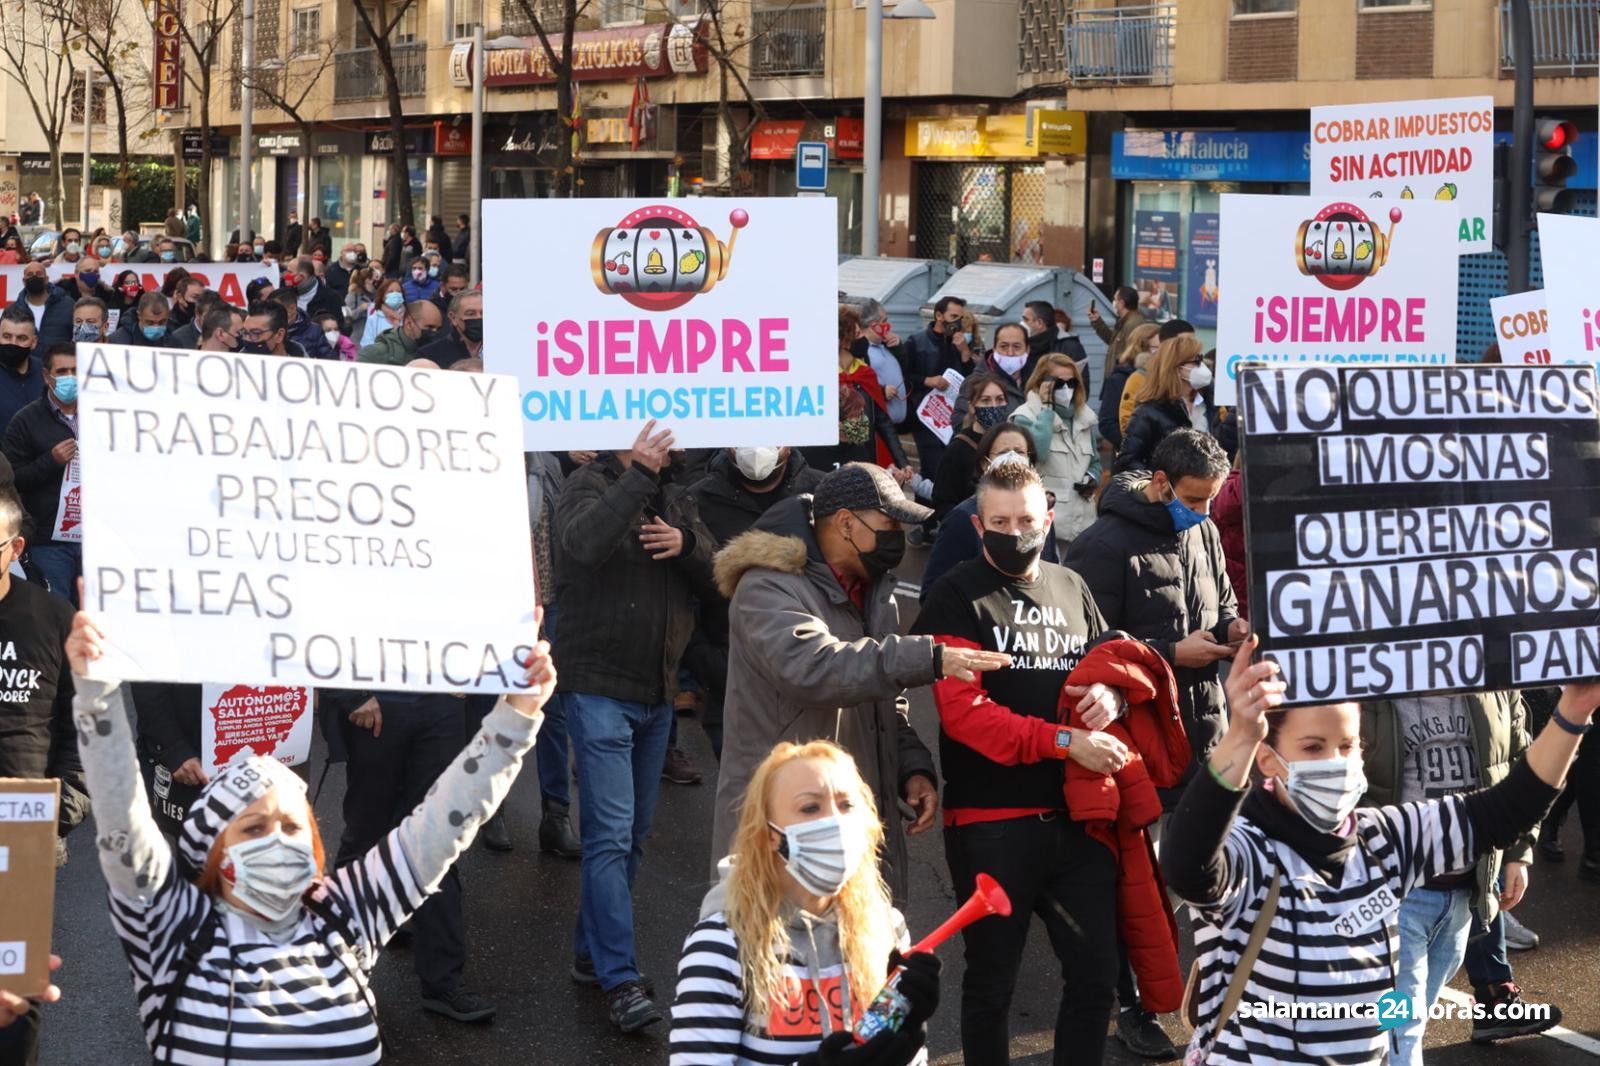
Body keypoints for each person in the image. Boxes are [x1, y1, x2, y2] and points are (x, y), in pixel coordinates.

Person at [64, 602, 558, 1063]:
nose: (277, 839)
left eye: (292, 824)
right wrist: (96, 694)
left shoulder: (346, 914)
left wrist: (518, 713)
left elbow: (450, 816)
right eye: (253, 826)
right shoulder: (171, 927)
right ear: (211, 850)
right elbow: (120, 814)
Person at [1163, 637, 1600, 1065]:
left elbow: (1506, 810)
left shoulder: (1385, 839)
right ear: (1268, 758)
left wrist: (1575, 709)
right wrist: (1238, 736)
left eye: (1348, 746)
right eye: (1313, 747)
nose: (1335, 761)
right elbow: (1188, 866)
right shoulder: (1250, 851)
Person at [710, 462, 1010, 902]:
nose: (898, 540)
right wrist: (929, 656)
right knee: (781, 964)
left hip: (848, 819)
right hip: (781, 828)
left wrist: (910, 765)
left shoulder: (872, 588)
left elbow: (884, 695)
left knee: (862, 961)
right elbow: (817, 668)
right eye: (888, 525)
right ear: (845, 523)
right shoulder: (766, 587)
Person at [912, 459, 1127, 1066]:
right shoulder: (956, 594)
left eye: (1027, 519)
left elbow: (1107, 665)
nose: (1015, 530)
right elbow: (966, 717)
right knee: (991, 985)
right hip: (990, 824)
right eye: (1000, 521)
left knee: (1096, 976)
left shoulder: (1071, 584)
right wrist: (1065, 742)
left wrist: (1111, 696)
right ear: (979, 526)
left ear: (1049, 519)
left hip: (1076, 819)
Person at [554, 419, 716, 1032]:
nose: (670, 437)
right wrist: (638, 475)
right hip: (598, 687)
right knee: (609, 835)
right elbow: (582, 545)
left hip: (655, 692)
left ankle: (590, 956)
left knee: (633, 835)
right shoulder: (589, 484)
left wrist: (689, 546)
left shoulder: (675, 493)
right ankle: (621, 979)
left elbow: (715, 572)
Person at [669, 740, 941, 1066]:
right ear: (772, 834)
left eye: (846, 805)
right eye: (810, 807)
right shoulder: (721, 946)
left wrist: (909, 1034)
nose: (835, 822)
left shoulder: (886, 927)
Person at [1357, 690, 1552, 1064]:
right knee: (1404, 1026)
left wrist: (1517, 852)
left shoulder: (1492, 678)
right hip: (1396, 894)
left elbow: (1519, 760)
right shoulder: (1369, 677)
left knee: (1403, 1022)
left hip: (1465, 891)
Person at [1067, 429, 1240, 806]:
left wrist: (1233, 629)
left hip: (1209, 741)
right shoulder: (1102, 545)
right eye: (1194, 500)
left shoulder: (1205, 531)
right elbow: (1089, 651)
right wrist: (1173, 654)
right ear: (1161, 482)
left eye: (1211, 499)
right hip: (1144, 746)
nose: (1204, 512)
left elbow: (1223, 605)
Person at [684, 447, 824, 759]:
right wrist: (708, 661)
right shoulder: (697, 500)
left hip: (813, 686)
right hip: (731, 691)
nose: (759, 447)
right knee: (744, 803)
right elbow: (682, 592)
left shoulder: (822, 494)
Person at [922, 425, 1064, 598]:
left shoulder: (1040, 513)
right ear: (984, 463)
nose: (1012, 458)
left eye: (1019, 452)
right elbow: (933, 593)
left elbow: (1050, 570)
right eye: (1003, 452)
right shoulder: (962, 518)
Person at [3, 344, 80, 604]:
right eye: (62, 371)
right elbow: (13, 480)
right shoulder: (25, 421)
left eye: (76, 370)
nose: (71, 377)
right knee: (56, 614)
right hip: (50, 541)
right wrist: (50, 461)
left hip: (95, 536)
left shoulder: (101, 415)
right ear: (47, 376)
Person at [809, 307, 911, 476]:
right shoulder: (820, 376)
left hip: (862, 456)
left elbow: (882, 421)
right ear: (843, 341)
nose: (863, 339)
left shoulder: (866, 373)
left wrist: (902, 461)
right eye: (857, 335)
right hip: (826, 460)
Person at [1012, 354, 1100, 548]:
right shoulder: (1026, 417)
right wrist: (1047, 409)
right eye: (1059, 384)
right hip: (1046, 527)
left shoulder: (1084, 418)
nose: (1066, 390)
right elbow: (1039, 452)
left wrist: (1092, 477)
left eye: (1072, 383)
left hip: (1084, 524)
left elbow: (1095, 461)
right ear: (1041, 382)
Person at [1116, 334, 1218, 474]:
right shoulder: (1147, 412)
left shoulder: (1210, 404)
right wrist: (1161, 484)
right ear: (1175, 367)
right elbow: (1127, 462)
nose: (1202, 366)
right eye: (1196, 361)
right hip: (1164, 493)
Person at [903, 296, 975, 479]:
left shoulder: (959, 344)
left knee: (949, 468)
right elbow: (904, 376)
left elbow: (972, 379)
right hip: (925, 414)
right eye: (953, 316)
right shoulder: (916, 342)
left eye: (960, 317)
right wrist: (927, 380)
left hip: (952, 415)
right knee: (932, 468)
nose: (957, 322)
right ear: (939, 316)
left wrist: (965, 353)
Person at [931, 373, 1011, 521]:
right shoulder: (958, 449)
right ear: (972, 407)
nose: (993, 406)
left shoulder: (1012, 443)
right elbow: (942, 503)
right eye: (985, 401)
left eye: (999, 399)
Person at [1118, 320, 1196, 437]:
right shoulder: (1140, 378)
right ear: (1167, 346)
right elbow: (1127, 425)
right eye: (1184, 343)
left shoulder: (1201, 380)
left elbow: (1218, 419)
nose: (1190, 349)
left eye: (1193, 343)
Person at [1100, 323, 1162, 457]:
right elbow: (1107, 423)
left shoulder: (1164, 376)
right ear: (1141, 348)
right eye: (1157, 348)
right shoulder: (1120, 378)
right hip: (1130, 457)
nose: (1161, 353)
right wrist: (1132, 444)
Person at [855, 300, 908, 424]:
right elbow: (858, 386)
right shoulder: (860, 351)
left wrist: (899, 349)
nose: (887, 325)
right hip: (877, 426)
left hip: (895, 426)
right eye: (884, 321)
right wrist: (881, 391)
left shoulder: (887, 346)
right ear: (873, 325)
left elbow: (907, 372)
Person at [1023, 300, 1088, 390]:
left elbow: (1082, 387)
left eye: (1026, 319)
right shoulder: (1023, 347)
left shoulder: (1070, 347)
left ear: (1039, 323)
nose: (1022, 323)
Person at [1091, 285, 1148, 384]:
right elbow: (1113, 341)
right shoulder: (1125, 321)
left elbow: (1131, 354)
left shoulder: (1133, 324)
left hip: (1122, 381)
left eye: (1115, 300)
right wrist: (1097, 321)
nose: (1114, 303)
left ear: (1121, 303)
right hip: (1117, 379)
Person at [9, 261, 73, 348]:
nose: (34, 277)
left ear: (46, 279)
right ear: (24, 281)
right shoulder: (12, 311)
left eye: (39, 274)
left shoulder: (68, 305)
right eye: (30, 274)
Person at [358, 300, 441, 367]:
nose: (434, 332)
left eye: (438, 329)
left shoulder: (439, 354)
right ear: (409, 324)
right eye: (429, 327)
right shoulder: (373, 355)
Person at [0, 308, 43, 432]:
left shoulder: (45, 372)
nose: (13, 343)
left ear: (34, 342)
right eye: (7, 336)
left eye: (21, 338)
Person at [419, 290, 482, 369]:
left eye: (483, 313)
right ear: (453, 318)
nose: (479, 317)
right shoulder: (430, 355)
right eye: (471, 314)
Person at [285, 254, 345, 326]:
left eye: (290, 272)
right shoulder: (284, 294)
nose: (286, 275)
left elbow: (340, 327)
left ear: (301, 276)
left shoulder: (332, 298)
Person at [107, 292, 171, 348]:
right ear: (139, 315)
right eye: (150, 323)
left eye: (162, 322)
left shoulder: (174, 339)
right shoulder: (118, 341)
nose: (156, 327)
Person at [360, 280, 408, 347]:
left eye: (398, 291)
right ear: (382, 296)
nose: (395, 294)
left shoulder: (408, 316)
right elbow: (366, 344)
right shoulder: (374, 318)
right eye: (390, 292)